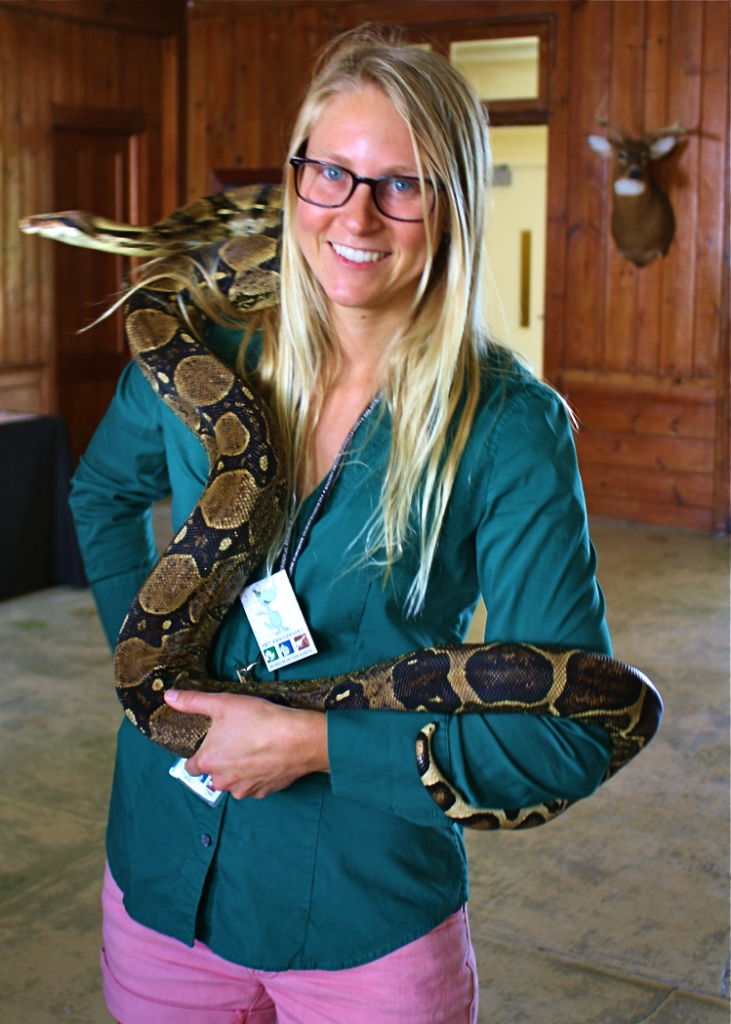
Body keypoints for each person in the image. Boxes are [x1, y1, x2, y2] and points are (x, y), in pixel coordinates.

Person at [69, 25, 612, 1024]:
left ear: (450, 207)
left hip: (365, 916)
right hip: (157, 886)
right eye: (330, 172)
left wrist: (316, 746)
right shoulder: (199, 352)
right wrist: (146, 661)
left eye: (400, 183)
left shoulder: (507, 426)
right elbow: (101, 496)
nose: (355, 213)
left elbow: (569, 734)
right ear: (292, 181)